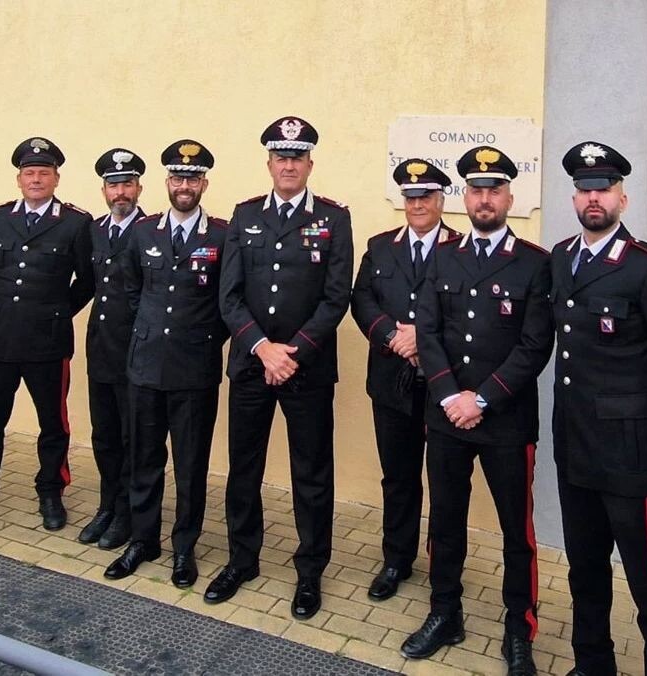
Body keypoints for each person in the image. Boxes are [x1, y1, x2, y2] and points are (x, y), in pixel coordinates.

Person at [402, 145, 552, 675]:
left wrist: (481, 398)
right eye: (476, 189)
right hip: (446, 417)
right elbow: (430, 332)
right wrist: (449, 397)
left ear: (510, 195)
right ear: (464, 196)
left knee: (517, 531)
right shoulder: (442, 255)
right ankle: (445, 612)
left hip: (506, 420)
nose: (484, 198)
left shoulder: (535, 262)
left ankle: (519, 629)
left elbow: (534, 346)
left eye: (494, 189)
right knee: (445, 521)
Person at [549, 141, 647, 676]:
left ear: (623, 198)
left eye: (603, 188)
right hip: (576, 446)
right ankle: (593, 665)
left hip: (632, 458)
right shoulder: (561, 258)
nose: (593, 198)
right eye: (584, 189)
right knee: (585, 573)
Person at [214, 116, 353, 620]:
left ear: (310, 163)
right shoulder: (244, 215)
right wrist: (261, 349)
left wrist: (290, 352)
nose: (288, 164)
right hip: (253, 366)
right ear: (269, 163)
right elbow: (228, 296)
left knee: (311, 474)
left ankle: (310, 570)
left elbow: (337, 298)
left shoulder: (334, 219)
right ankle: (241, 559)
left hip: (306, 369)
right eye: (280, 156)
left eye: (297, 156)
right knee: (243, 468)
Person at [0, 137, 95, 544]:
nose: (36, 179)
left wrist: (57, 309)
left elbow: (87, 279)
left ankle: (51, 492)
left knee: (53, 423)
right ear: (19, 179)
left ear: (56, 178)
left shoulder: (76, 222)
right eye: (29, 173)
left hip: (47, 339)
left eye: (43, 173)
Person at [103, 140, 229, 587]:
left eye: (192, 179)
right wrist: (151, 333)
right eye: (177, 177)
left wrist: (201, 340)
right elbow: (134, 292)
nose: (184, 185)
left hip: (194, 369)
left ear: (204, 184)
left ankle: (184, 547)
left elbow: (226, 301)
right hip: (146, 365)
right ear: (166, 182)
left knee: (191, 464)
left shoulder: (222, 234)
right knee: (144, 458)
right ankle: (143, 539)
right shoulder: (145, 232)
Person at [348, 158, 459, 601]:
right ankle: (396, 558)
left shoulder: (462, 247)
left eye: (426, 196)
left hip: (444, 384)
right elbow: (362, 299)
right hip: (392, 380)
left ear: (440, 199)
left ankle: (443, 562)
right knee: (398, 476)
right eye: (411, 197)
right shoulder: (380, 247)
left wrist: (425, 338)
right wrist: (393, 335)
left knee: (446, 478)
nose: (418, 204)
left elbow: (472, 314)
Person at [76, 147, 147, 549]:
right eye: (113, 184)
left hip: (135, 350)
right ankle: (107, 504)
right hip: (101, 347)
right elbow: (87, 286)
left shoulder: (151, 229)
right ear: (103, 189)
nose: (120, 192)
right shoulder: (95, 230)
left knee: (131, 437)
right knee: (104, 435)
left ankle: (128, 512)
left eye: (127, 183)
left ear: (139, 187)